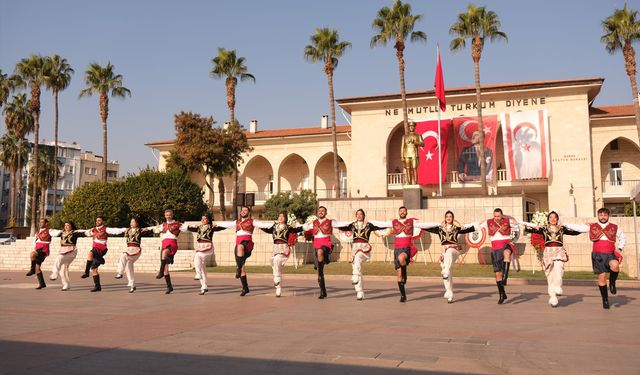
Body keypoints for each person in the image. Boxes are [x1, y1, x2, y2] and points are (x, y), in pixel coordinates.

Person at [371, 207, 438, 302]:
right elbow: (381, 224)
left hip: (407, 248)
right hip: (397, 249)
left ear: (406, 212)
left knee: (401, 258)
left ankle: (405, 271)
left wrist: (438, 224)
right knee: (399, 275)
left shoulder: (411, 222)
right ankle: (403, 295)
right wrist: (369, 221)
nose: (402, 212)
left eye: (404, 211)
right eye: (401, 211)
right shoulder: (394, 222)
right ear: (398, 212)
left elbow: (424, 225)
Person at [564, 208, 625, 309]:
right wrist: (565, 224)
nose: (603, 217)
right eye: (601, 215)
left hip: (610, 253)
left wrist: (620, 248)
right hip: (598, 255)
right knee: (602, 277)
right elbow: (579, 228)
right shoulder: (592, 226)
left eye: (605, 215)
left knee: (615, 265)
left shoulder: (614, 227)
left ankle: (613, 282)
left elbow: (622, 237)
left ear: (608, 216)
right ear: (598, 215)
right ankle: (605, 300)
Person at [519, 211, 582, 307]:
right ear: (548, 219)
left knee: (559, 268)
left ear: (557, 219)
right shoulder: (544, 228)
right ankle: (553, 297)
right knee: (550, 274)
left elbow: (575, 232)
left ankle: (558, 286)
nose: (553, 219)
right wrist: (530, 226)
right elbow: (530, 230)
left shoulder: (562, 228)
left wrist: (584, 228)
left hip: (559, 252)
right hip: (548, 253)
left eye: (555, 217)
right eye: (551, 217)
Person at [216, 206, 271, 296]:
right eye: (242, 210)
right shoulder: (236, 222)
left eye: (245, 210)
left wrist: (273, 224)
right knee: (242, 268)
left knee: (241, 246)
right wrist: (216, 224)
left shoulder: (252, 221)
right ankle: (245, 288)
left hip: (247, 243)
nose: (243, 211)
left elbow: (263, 225)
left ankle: (237, 268)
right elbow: (226, 224)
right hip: (238, 245)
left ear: (248, 213)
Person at [423, 211, 475, 303]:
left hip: (454, 251)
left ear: (453, 218)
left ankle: (446, 270)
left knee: (449, 253)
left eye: (450, 216)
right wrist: (416, 225)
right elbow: (427, 228)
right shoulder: (440, 229)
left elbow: (471, 228)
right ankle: (449, 293)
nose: (448, 218)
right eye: (447, 216)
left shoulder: (457, 228)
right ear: (445, 218)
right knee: (447, 274)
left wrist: (480, 225)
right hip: (444, 253)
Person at [335, 209, 385, 301]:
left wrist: (391, 224)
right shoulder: (352, 225)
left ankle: (354, 276)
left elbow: (379, 226)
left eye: (361, 214)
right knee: (356, 267)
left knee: (358, 257)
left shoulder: (369, 225)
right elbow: (341, 227)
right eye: (357, 214)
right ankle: (360, 292)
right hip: (354, 248)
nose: (359, 215)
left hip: (364, 248)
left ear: (363, 215)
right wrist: (332, 224)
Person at [477, 208, 518, 304]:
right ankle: (502, 293)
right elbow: (478, 225)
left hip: (506, 244)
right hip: (495, 248)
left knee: (507, 253)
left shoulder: (507, 221)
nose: (497, 218)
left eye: (498, 216)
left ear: (502, 215)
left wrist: (509, 218)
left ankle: (505, 278)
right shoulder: (489, 222)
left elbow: (516, 225)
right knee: (497, 274)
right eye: (495, 216)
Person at [259, 211, 303, 297]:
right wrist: (258, 225)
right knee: (275, 264)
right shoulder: (274, 226)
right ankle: (278, 287)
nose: (280, 218)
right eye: (279, 216)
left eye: (282, 217)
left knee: (276, 260)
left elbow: (296, 230)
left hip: (284, 248)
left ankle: (276, 280)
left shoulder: (288, 227)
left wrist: (305, 227)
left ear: (285, 218)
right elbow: (267, 230)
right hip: (275, 248)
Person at [146, 209, 188, 294]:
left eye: (170, 215)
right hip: (164, 244)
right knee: (166, 268)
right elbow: (154, 229)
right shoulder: (163, 225)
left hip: (172, 244)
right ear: (165, 216)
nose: (168, 216)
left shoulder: (177, 224)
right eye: (167, 215)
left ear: (172, 215)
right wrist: (144, 229)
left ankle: (160, 272)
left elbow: (188, 227)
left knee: (165, 253)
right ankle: (169, 286)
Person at [302, 206, 341, 299]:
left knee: (320, 251)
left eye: (323, 211)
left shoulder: (330, 222)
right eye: (319, 211)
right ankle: (323, 291)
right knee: (319, 272)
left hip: (326, 245)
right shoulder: (314, 223)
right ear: (317, 213)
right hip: (316, 245)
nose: (321, 212)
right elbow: (304, 227)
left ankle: (325, 258)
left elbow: (341, 224)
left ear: (326, 213)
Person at [80, 216, 123, 292]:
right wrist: (87, 232)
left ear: (102, 221)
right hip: (96, 249)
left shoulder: (105, 229)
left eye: (99, 220)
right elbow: (85, 232)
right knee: (94, 269)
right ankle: (98, 286)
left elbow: (115, 230)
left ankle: (86, 272)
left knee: (90, 253)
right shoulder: (93, 229)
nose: (97, 222)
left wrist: (125, 229)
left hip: (101, 248)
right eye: (96, 220)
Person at [187, 214, 226, 295]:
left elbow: (222, 227)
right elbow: (188, 228)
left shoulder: (211, 227)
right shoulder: (199, 227)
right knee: (202, 267)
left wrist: (218, 225)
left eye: (205, 219)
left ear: (208, 220)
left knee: (197, 257)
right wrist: (181, 226)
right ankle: (204, 286)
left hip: (208, 247)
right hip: (200, 246)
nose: (203, 220)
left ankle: (197, 273)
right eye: (202, 219)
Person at [113, 217, 152, 293]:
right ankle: (132, 285)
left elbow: (150, 229)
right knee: (128, 266)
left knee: (123, 255)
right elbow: (116, 230)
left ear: (137, 223)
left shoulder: (140, 230)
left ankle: (120, 273)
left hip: (135, 250)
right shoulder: (127, 230)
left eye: (133, 222)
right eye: (131, 222)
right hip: (128, 249)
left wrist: (156, 228)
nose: (131, 223)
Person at [49, 221, 84, 291]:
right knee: (63, 270)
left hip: (71, 251)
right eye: (65, 225)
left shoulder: (75, 232)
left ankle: (54, 273)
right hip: (63, 250)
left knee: (59, 258)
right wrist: (48, 230)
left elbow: (85, 232)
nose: (66, 227)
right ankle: (66, 285)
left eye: (68, 225)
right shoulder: (62, 232)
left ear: (71, 226)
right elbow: (52, 232)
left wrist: (93, 231)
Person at [26, 218, 52, 290]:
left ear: (46, 223)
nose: (40, 223)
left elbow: (56, 233)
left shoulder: (49, 231)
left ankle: (32, 270)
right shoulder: (37, 232)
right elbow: (35, 241)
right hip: (38, 249)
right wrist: (35, 247)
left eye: (42, 222)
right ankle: (42, 284)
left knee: (32, 254)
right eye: (39, 222)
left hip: (43, 249)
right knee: (38, 268)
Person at [401, 120, 425, 185]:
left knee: (414, 168)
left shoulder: (418, 135)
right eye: (410, 126)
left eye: (413, 126)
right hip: (406, 154)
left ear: (414, 127)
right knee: (408, 169)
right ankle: (409, 183)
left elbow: (423, 144)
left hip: (414, 154)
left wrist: (415, 142)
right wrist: (402, 156)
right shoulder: (405, 136)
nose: (411, 128)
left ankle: (415, 183)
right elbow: (402, 147)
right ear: (408, 127)